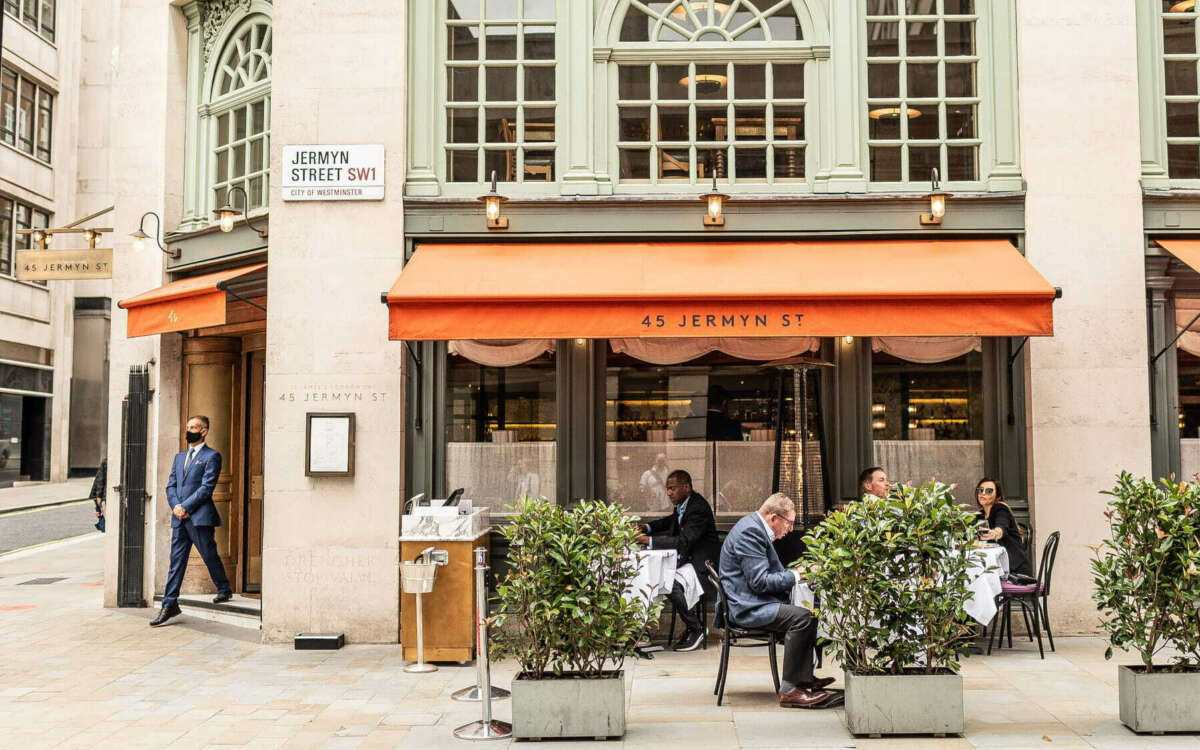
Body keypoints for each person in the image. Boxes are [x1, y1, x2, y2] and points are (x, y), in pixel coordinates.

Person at [719, 493, 833, 708]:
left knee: (808, 614)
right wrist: (798, 574)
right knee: (803, 618)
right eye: (789, 523)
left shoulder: (753, 526)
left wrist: (798, 573)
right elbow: (760, 582)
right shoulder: (750, 532)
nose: (790, 529)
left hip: (751, 599)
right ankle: (790, 691)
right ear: (773, 518)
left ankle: (803, 679)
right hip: (748, 607)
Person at [150, 415, 232, 627]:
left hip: (199, 518)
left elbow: (206, 487)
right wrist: (176, 507)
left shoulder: (212, 456)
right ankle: (169, 604)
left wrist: (185, 506)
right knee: (176, 563)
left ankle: (223, 587)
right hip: (179, 518)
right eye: (188, 427)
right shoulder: (179, 457)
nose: (189, 431)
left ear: (204, 431)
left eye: (193, 427)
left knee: (209, 554)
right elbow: (171, 485)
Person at [635, 469, 721, 652]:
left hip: (703, 565)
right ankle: (642, 630)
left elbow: (684, 541)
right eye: (667, 488)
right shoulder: (684, 505)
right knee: (656, 577)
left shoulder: (698, 508)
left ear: (687, 487)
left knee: (670, 582)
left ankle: (696, 628)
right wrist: (646, 527)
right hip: (688, 561)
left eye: (672, 488)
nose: (669, 493)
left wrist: (648, 540)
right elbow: (670, 521)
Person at [974, 477, 1032, 577]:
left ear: (997, 495)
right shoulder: (980, 515)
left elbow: (1002, 526)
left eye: (989, 491)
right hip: (995, 568)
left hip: (1015, 572)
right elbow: (969, 534)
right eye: (980, 490)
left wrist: (995, 533)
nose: (983, 493)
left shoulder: (1001, 509)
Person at [90, 459, 107, 533]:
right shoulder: (106, 462)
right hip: (105, 497)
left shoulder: (106, 462)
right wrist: (98, 508)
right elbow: (100, 481)